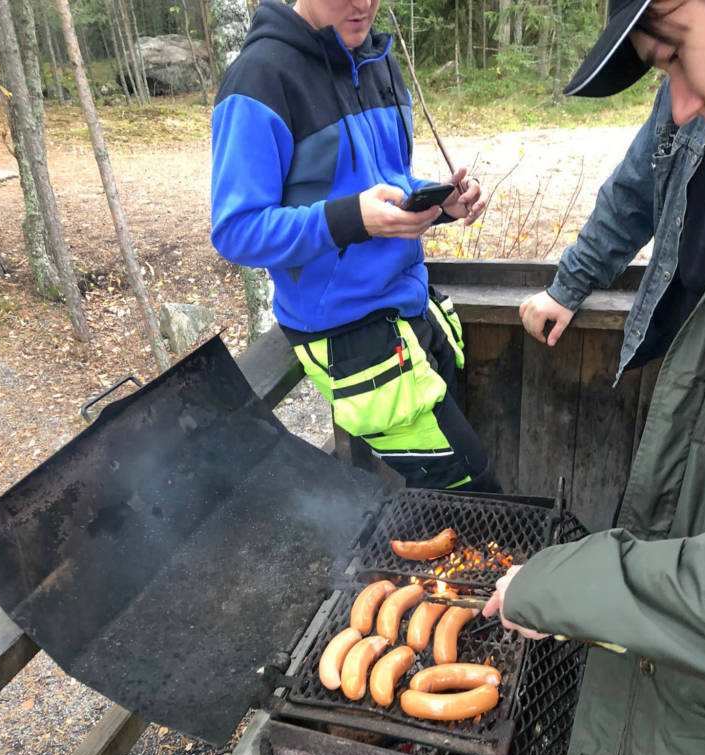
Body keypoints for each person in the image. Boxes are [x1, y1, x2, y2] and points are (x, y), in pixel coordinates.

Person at [483, 0, 705, 755]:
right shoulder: (695, 110)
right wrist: (570, 285)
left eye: (670, 50)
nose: (675, 98)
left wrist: (560, 586)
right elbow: (632, 194)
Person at [210, 0, 501, 493]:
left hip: (412, 310)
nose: (363, 4)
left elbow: (383, 179)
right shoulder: (259, 80)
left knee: (445, 495)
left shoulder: (376, 58)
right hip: (347, 333)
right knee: (475, 494)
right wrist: (352, 219)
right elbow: (236, 230)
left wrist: (439, 199)